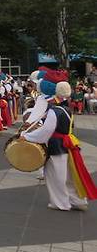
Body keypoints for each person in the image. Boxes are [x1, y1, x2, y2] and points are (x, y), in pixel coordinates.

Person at [22, 70, 97, 211]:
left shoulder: (54, 111)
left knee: (55, 175)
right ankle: (77, 200)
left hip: (56, 144)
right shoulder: (65, 108)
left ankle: (60, 203)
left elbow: (45, 132)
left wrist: (26, 136)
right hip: (67, 143)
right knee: (69, 174)